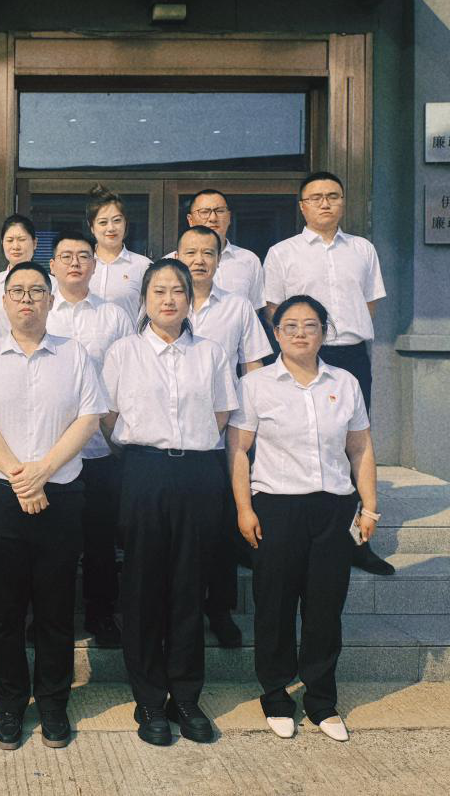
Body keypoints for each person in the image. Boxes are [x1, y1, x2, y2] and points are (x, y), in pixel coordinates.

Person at [0, 260, 108, 751]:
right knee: (4, 610)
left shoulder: (74, 354)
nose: (26, 299)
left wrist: (43, 470)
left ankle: (52, 702)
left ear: (50, 300)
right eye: (17, 291)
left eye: (36, 291)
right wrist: (21, 478)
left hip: (60, 492)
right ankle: (9, 703)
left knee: (55, 607)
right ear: (3, 301)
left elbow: (89, 417)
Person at [227, 295, 379, 743]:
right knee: (274, 604)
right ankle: (276, 695)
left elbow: (360, 448)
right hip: (277, 506)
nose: (299, 333)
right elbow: (238, 450)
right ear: (275, 334)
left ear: (324, 333)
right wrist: (244, 509)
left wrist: (369, 506)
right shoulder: (256, 385)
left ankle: (321, 699)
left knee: (324, 606)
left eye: (310, 325)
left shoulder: (345, 383)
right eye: (289, 325)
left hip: (333, 508)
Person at [101, 258, 237, 747]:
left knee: (189, 587)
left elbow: (221, 414)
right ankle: (148, 699)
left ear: (189, 298)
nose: (168, 299)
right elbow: (108, 417)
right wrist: (152, 452)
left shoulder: (211, 353)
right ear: (144, 299)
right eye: (158, 290)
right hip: (144, 472)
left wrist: (187, 447)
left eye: (178, 290)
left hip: (198, 475)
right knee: (142, 588)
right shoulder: (124, 352)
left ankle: (185, 696)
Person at [262, 171, 391, 577]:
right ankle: (304, 532)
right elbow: (274, 309)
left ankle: (356, 542)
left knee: (352, 444)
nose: (325, 203)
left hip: (350, 355)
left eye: (333, 196)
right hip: (302, 355)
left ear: (343, 202)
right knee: (301, 439)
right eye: (316, 197)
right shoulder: (282, 252)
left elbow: (368, 304)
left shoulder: (363, 249)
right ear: (302, 206)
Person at [177, 224, 272, 649]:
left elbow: (253, 369)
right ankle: (179, 609)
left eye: (208, 253)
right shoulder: (159, 302)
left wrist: (254, 426)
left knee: (219, 529)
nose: (199, 260)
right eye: (191, 252)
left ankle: (219, 610)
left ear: (219, 260)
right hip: (171, 438)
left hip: (222, 436)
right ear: (177, 257)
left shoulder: (238, 308)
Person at [45, 228, 133, 649]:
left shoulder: (114, 316)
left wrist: (118, 436)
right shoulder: (41, 310)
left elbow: (128, 377)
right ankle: (52, 618)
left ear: (95, 265)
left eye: (83, 256)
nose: (75, 263)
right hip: (51, 449)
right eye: (66, 256)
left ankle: (102, 615)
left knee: (100, 540)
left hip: (100, 447)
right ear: (52, 265)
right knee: (54, 541)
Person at [166, 189, 264, 310]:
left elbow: (254, 310)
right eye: (204, 212)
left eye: (220, 211)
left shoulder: (249, 260)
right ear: (190, 220)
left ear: (229, 217)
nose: (213, 218)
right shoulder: (169, 263)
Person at [0, 214, 56, 337]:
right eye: (10, 240)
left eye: (22, 239)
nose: (15, 246)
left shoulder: (54, 284)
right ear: (2, 243)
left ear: (35, 243)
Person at [87, 184, 151, 321]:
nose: (111, 228)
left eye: (117, 220)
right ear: (91, 227)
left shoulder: (143, 266)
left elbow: (150, 316)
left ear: (125, 223)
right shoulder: (81, 264)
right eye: (103, 222)